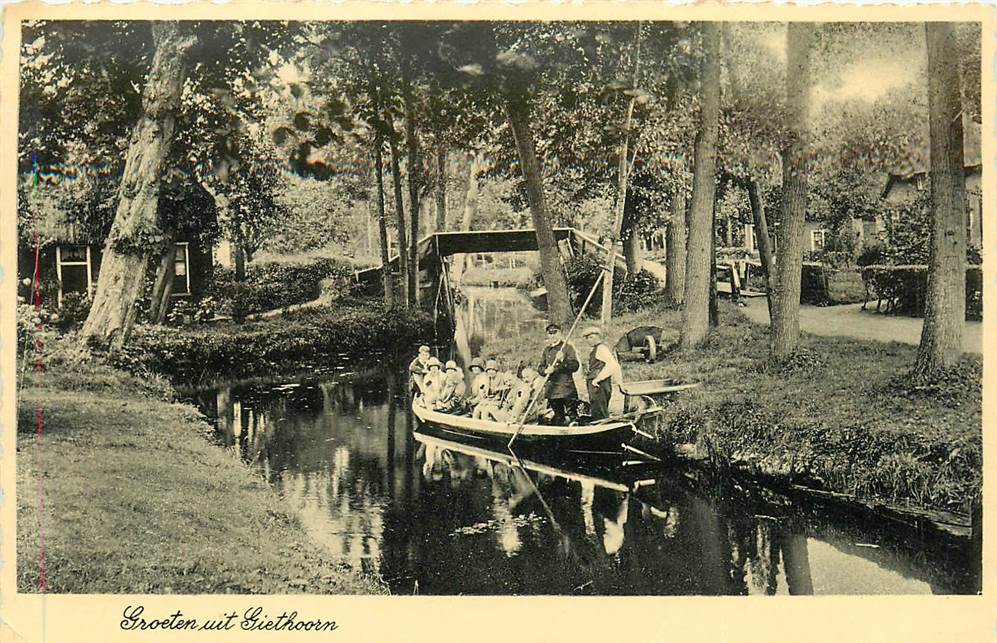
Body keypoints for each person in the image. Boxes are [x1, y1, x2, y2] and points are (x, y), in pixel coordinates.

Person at [537, 322, 580, 425]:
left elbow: (575, 366)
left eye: (555, 332)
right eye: (550, 333)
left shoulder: (567, 348)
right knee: (558, 417)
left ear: (560, 333)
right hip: (552, 390)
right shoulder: (547, 350)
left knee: (573, 416)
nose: (552, 335)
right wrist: (546, 371)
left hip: (566, 388)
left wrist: (562, 361)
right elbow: (540, 368)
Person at [582, 326, 622, 420]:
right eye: (587, 338)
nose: (588, 340)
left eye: (591, 337)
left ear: (598, 337)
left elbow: (613, 365)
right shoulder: (595, 349)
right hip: (597, 384)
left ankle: (603, 429)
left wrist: (598, 379)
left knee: (600, 410)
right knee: (596, 409)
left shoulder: (601, 348)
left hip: (599, 385)